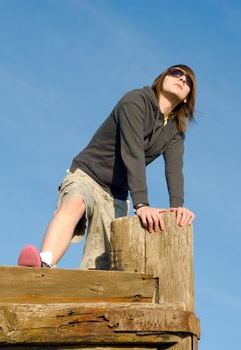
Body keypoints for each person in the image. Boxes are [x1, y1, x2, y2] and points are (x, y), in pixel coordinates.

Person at [18, 65, 197, 269]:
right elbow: (133, 151)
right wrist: (142, 204)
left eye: (188, 80)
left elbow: (174, 169)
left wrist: (177, 207)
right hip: (88, 174)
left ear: (186, 97)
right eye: (175, 73)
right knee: (76, 202)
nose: (182, 79)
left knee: (103, 262)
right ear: (161, 79)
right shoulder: (136, 101)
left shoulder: (175, 130)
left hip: (116, 194)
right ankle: (42, 264)